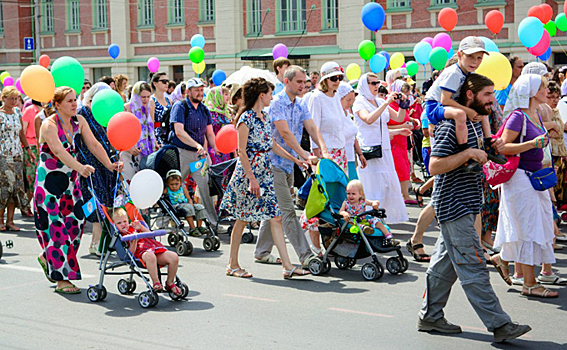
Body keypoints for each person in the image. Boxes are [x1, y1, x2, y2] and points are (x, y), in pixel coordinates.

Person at [418, 73, 531, 343]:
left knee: (444, 266)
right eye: (488, 95)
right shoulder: (449, 125)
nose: (493, 100)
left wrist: (493, 149)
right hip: (453, 204)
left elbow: (481, 156)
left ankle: (430, 316)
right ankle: (500, 325)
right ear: (470, 96)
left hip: (467, 202)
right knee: (474, 264)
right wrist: (468, 154)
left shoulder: (476, 123)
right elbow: (434, 166)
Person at [219, 77, 310, 279]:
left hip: (265, 172)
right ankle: (232, 264)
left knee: (276, 217)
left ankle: (287, 266)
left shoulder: (265, 117)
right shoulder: (245, 119)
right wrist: (252, 179)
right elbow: (241, 152)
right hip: (248, 175)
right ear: (262, 95)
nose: (271, 97)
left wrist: (296, 160)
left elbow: (273, 146)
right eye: (269, 93)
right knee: (241, 219)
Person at [35, 87, 122, 294]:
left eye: (75, 100)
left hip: (72, 185)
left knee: (75, 228)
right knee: (57, 231)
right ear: (57, 105)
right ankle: (62, 280)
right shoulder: (49, 125)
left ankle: (48, 258)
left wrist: (110, 164)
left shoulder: (79, 122)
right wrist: (80, 167)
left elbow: (93, 144)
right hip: (49, 187)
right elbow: (58, 151)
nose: (75, 104)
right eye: (69, 101)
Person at [254, 65, 329, 267]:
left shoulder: (300, 103)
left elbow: (311, 126)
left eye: (304, 82)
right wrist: (305, 154)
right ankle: (305, 256)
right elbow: (285, 133)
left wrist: (323, 148)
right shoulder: (277, 102)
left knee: (274, 207)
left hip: (289, 163)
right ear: (286, 82)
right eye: (299, 82)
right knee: (287, 210)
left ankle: (261, 251)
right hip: (273, 163)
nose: (303, 86)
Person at [492, 74, 559, 298]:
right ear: (531, 91)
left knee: (536, 225)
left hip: (534, 177)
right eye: (541, 87)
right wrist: (531, 143)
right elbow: (503, 148)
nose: (545, 90)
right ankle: (529, 283)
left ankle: (503, 258)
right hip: (520, 179)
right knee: (528, 228)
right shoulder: (517, 117)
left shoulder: (536, 114)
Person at [424, 36, 497, 172]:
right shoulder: (454, 73)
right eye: (470, 56)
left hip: (447, 104)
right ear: (459, 55)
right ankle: (466, 152)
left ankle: (488, 144)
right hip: (435, 106)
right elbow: (445, 100)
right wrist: (468, 111)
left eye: (479, 58)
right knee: (460, 114)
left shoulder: (469, 71)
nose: (475, 62)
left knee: (483, 111)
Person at [353, 73, 409, 224]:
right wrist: (386, 102)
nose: (376, 86)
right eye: (372, 83)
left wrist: (403, 104)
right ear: (365, 84)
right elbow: (369, 119)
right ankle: (371, 219)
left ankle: (383, 219)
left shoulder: (379, 101)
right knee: (373, 185)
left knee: (388, 184)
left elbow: (398, 118)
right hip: (369, 148)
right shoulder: (359, 102)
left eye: (377, 83)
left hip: (384, 148)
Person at [169, 77, 219, 226]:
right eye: (197, 90)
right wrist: (197, 145)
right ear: (188, 92)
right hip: (182, 153)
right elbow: (179, 132)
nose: (200, 93)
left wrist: (216, 148)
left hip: (199, 157)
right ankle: (171, 219)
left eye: (202, 90)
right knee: (173, 184)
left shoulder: (204, 109)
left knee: (206, 186)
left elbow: (209, 133)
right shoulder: (180, 106)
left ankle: (212, 221)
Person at [77, 82, 118, 256]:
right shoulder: (84, 113)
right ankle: (95, 243)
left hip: (107, 162)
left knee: (108, 202)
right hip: (91, 162)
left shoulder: (108, 113)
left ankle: (103, 242)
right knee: (97, 201)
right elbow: (91, 143)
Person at [113, 209, 181, 295]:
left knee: (173, 257)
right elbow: (130, 253)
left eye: (125, 221)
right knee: (150, 256)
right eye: (119, 223)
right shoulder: (122, 236)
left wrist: (141, 228)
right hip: (141, 253)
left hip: (154, 248)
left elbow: (150, 234)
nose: (123, 224)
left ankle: (170, 282)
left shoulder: (134, 226)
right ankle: (156, 282)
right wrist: (134, 241)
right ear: (115, 225)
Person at [0, 87, 35, 231]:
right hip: (3, 155)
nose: (14, 101)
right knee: (5, 188)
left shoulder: (17, 112)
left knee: (16, 188)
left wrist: (28, 149)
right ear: (4, 99)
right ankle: (0, 220)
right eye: (11, 98)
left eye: (16, 99)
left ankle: (10, 220)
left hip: (17, 155)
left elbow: (21, 134)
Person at [307, 62, 348, 172]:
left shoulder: (337, 95)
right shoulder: (316, 97)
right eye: (334, 78)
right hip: (324, 151)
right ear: (325, 79)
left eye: (340, 78)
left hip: (341, 149)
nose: (337, 81)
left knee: (342, 187)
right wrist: (317, 153)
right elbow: (313, 127)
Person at [388, 80, 419, 205]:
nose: (405, 96)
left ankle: (404, 194)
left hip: (402, 140)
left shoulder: (402, 104)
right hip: (393, 141)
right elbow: (384, 126)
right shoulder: (390, 105)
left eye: (407, 93)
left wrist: (413, 120)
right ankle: (402, 194)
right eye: (403, 92)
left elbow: (404, 117)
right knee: (399, 168)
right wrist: (403, 126)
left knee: (405, 166)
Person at [339, 180, 396, 246]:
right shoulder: (346, 203)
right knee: (356, 225)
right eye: (348, 193)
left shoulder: (363, 201)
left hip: (364, 219)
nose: (350, 196)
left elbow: (374, 202)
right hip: (354, 221)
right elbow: (340, 211)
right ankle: (365, 228)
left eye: (353, 194)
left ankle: (389, 237)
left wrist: (375, 203)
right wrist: (344, 213)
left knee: (378, 222)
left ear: (360, 194)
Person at [124, 82, 156, 181]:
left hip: (146, 149)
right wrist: (129, 148)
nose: (146, 99)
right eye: (143, 97)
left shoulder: (150, 106)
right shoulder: (127, 107)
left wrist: (154, 142)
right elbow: (123, 131)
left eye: (148, 96)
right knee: (132, 181)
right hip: (130, 150)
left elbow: (151, 126)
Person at [165, 169, 208, 236]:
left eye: (176, 184)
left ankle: (199, 226)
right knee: (188, 208)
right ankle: (192, 228)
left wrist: (191, 203)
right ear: (167, 184)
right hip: (176, 206)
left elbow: (188, 198)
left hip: (186, 204)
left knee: (200, 207)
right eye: (172, 184)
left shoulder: (182, 188)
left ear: (180, 183)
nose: (174, 186)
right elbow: (161, 196)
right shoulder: (166, 190)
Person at [337, 82, 366, 180]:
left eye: (352, 100)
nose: (351, 103)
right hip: (339, 160)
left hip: (350, 158)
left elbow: (353, 137)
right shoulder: (336, 115)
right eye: (348, 100)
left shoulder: (347, 114)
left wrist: (360, 154)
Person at [21, 100, 42, 208]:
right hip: (31, 146)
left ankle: (29, 205)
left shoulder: (46, 110)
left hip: (42, 146)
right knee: (31, 178)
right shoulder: (29, 111)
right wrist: (26, 149)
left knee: (39, 178)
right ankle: (26, 205)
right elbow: (22, 131)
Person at [204, 86, 233, 165]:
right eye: (226, 94)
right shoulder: (208, 113)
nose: (228, 97)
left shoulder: (225, 111)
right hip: (213, 149)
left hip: (226, 148)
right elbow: (206, 134)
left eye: (228, 94)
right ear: (217, 96)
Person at [150, 72, 172, 146]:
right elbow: (151, 124)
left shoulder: (169, 100)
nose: (166, 84)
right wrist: (155, 141)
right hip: (158, 137)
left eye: (167, 81)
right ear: (155, 83)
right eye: (163, 81)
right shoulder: (152, 101)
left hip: (169, 136)